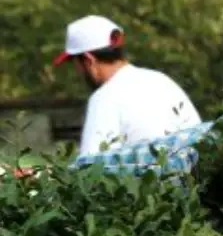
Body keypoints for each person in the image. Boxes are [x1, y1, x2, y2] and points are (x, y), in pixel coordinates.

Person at [55, 15, 202, 156]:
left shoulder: (104, 99)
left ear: (88, 60)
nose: (78, 72)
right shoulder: (162, 81)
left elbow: (88, 174)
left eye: (75, 64)